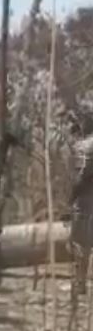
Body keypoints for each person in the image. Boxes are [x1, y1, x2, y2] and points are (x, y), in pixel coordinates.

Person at [70, 109, 93, 297]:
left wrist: (69, 199)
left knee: (81, 242)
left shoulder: (84, 147)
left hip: (87, 200)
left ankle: (80, 282)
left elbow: (81, 176)